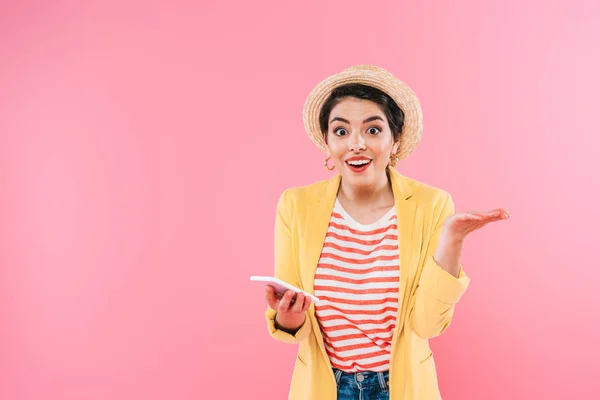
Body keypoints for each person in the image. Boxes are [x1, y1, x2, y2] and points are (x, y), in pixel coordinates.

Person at [263, 65, 509, 400]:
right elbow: (293, 326)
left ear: (395, 140)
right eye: (340, 132)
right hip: (323, 387)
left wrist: (453, 239)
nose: (356, 144)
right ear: (327, 143)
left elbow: (426, 325)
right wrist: (288, 318)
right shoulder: (296, 205)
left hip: (402, 386)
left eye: (374, 130)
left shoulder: (431, 204)